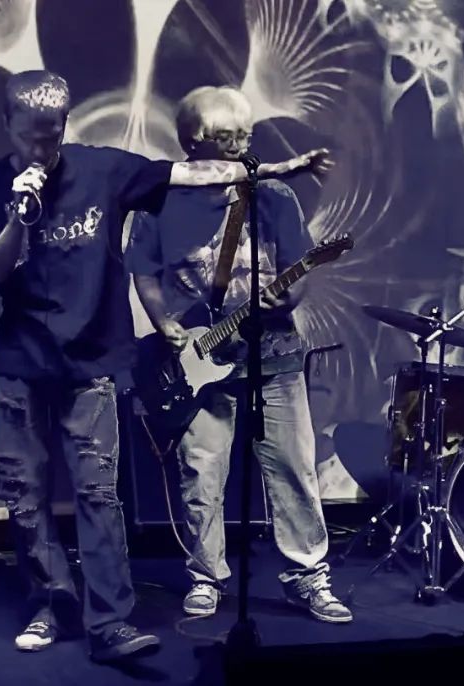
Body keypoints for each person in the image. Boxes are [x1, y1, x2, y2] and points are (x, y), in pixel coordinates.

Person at [0, 70, 329, 662]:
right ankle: (49, 604)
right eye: (30, 136)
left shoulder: (102, 169)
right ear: (7, 125)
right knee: (25, 498)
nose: (41, 148)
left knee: (98, 495)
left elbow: (191, 173)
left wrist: (278, 170)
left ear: (65, 125)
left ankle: (110, 623)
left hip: (91, 362)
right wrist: (18, 215)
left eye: (51, 135)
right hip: (20, 364)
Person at [124, 86, 351, 624]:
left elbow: (299, 266)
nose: (239, 147)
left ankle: (309, 576)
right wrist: (164, 323)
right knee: (201, 471)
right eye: (226, 137)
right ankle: (206, 575)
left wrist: (285, 297)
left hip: (274, 351)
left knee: (294, 469)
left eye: (245, 135)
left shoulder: (274, 196)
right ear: (193, 142)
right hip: (197, 356)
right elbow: (143, 270)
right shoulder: (160, 199)